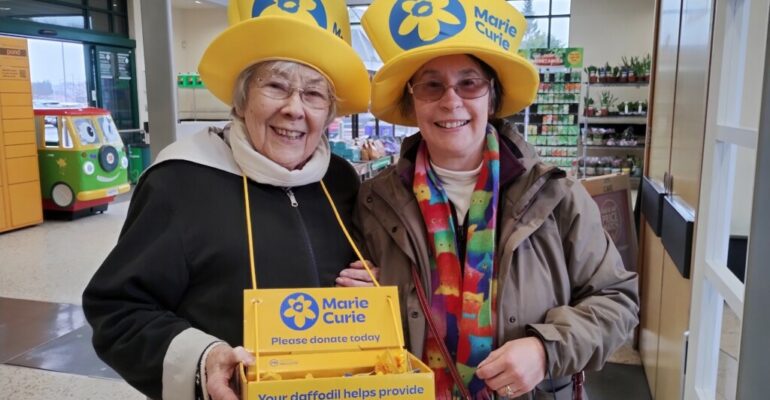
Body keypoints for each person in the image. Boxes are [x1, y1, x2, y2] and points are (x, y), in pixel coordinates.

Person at [82, 1, 377, 399]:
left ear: (329, 115)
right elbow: (118, 311)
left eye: (313, 94)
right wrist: (202, 360)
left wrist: (375, 281)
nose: (294, 109)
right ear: (240, 101)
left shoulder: (341, 181)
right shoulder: (180, 182)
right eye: (275, 86)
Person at [355, 1, 640, 399]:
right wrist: (356, 303)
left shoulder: (557, 197)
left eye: (469, 83)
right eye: (431, 85)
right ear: (412, 100)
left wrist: (546, 349)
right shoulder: (373, 201)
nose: (451, 101)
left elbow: (617, 301)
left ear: (491, 97)